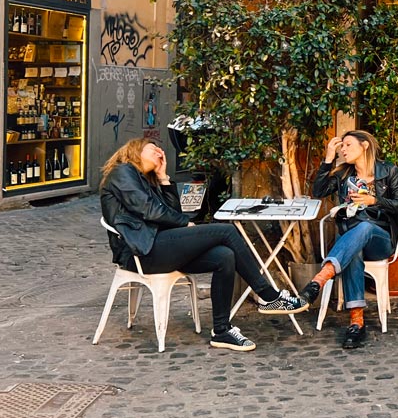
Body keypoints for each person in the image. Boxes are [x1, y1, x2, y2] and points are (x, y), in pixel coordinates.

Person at [100, 138, 307, 352]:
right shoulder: (122, 172)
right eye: (152, 148)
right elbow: (150, 210)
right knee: (226, 231)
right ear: (135, 151)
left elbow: (172, 212)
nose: (159, 151)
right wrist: (185, 223)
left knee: (224, 256)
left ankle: (222, 331)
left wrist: (163, 178)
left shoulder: (147, 180)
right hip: (142, 252)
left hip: (160, 247)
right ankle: (268, 296)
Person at [298, 130, 398, 349]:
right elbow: (318, 191)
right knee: (354, 248)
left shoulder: (389, 170)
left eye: (348, 145)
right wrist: (328, 159)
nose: (343, 150)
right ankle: (357, 323)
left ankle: (319, 279)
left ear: (364, 145)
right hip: (351, 238)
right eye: (341, 147)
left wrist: (374, 200)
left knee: (364, 227)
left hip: (379, 238)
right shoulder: (343, 174)